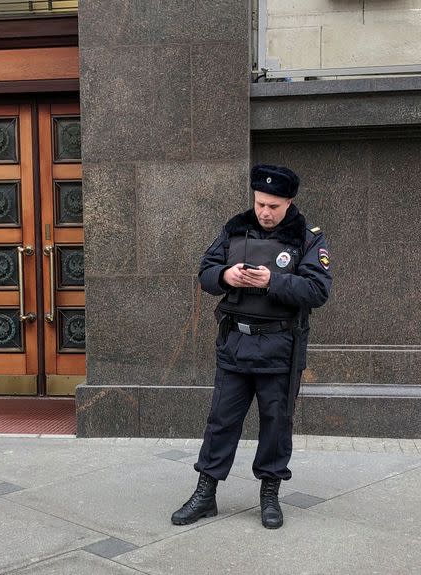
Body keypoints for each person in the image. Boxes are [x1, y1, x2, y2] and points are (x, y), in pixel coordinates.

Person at [171, 164, 332, 529]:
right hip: (235, 344)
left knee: (276, 424)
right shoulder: (234, 229)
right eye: (261, 203)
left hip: (279, 350)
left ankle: (270, 495)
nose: (265, 212)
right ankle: (205, 493)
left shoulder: (307, 239)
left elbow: (318, 290)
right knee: (221, 421)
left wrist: (273, 281)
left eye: (274, 206)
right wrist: (226, 275)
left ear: (289, 202)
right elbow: (206, 272)